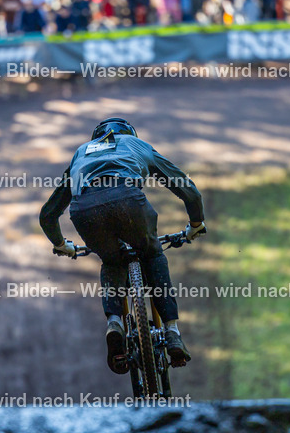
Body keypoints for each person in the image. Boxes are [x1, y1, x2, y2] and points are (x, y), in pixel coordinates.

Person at [39, 118, 207, 373]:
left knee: (112, 260)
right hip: (127, 199)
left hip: (85, 210)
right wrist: (195, 224)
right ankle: (172, 331)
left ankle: (115, 323)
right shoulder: (136, 144)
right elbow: (189, 190)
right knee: (152, 254)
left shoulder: (81, 152)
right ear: (129, 133)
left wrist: (62, 245)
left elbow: (48, 214)